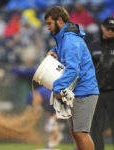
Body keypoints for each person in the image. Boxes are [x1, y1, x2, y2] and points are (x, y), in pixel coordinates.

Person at [44, 6, 99, 150]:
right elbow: (64, 53)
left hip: (84, 91)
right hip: (75, 91)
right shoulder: (64, 38)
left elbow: (73, 70)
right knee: (75, 132)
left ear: (60, 20)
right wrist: (53, 51)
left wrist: (57, 87)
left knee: (81, 133)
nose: (48, 28)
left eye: (49, 23)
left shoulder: (69, 39)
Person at [89, 17, 114, 150]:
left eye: (113, 30)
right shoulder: (93, 46)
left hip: (112, 92)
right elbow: (85, 68)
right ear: (103, 27)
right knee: (96, 127)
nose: (111, 31)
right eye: (108, 28)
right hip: (96, 92)